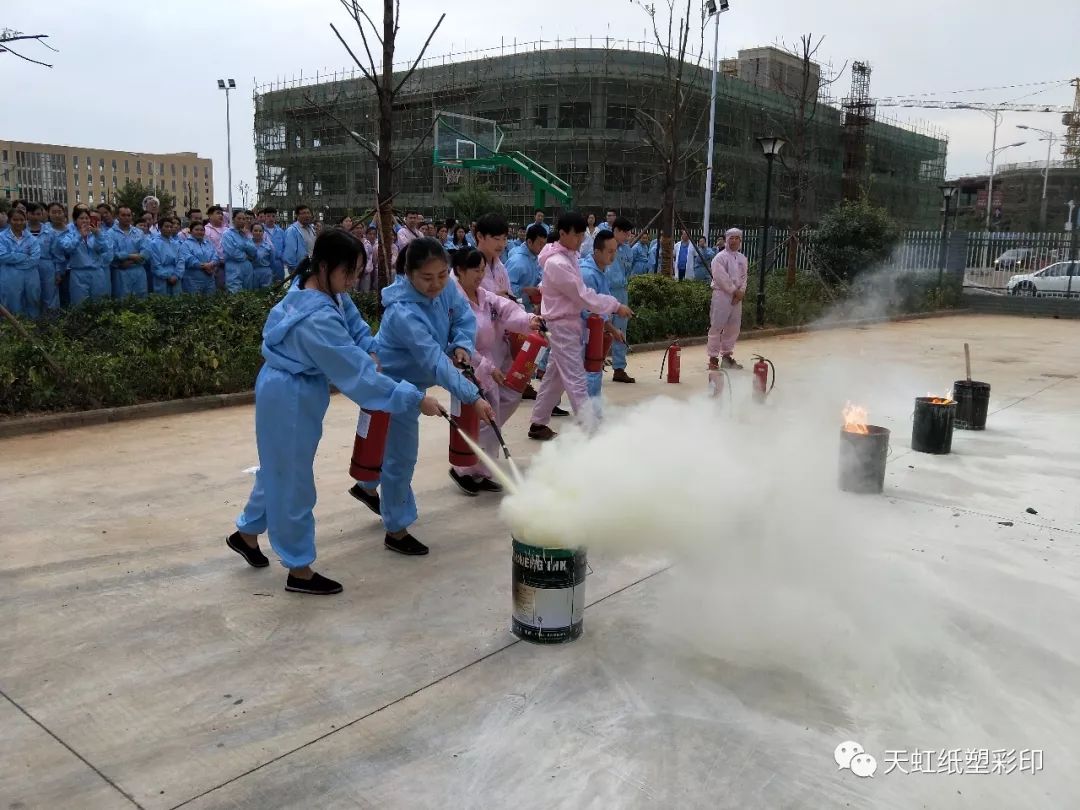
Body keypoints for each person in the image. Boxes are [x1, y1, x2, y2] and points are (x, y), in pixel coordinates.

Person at [230, 230, 444, 595]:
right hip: (289, 395)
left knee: (280, 465)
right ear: (325, 266)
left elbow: (356, 329)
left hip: (295, 388)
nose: (352, 282)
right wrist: (412, 397)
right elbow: (358, 376)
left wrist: (371, 349)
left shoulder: (323, 290)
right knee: (293, 478)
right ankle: (298, 568)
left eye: (357, 273)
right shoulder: (317, 319)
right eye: (348, 273)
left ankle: (247, 533)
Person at [348, 237, 495, 556]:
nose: (436, 284)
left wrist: (461, 344)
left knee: (384, 448)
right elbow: (434, 361)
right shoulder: (403, 313)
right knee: (401, 456)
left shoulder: (446, 288)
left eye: (442, 275)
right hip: (393, 385)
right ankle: (396, 530)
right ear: (408, 274)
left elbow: (463, 318)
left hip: (415, 380)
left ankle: (367, 487)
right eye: (427, 278)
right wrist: (473, 396)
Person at [528, 212, 632, 440]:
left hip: (566, 324)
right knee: (576, 379)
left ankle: (538, 422)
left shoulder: (568, 257)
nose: (580, 240)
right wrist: (615, 305)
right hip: (562, 326)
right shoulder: (557, 263)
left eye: (582, 235)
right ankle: (590, 431)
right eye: (576, 235)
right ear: (563, 233)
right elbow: (583, 295)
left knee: (555, 378)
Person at [449, 248, 539, 495]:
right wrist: (486, 367)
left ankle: (481, 470)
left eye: (482, 270)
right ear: (459, 271)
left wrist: (529, 319)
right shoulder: (452, 301)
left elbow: (507, 309)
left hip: (488, 363)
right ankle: (463, 469)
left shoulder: (485, 296)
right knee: (474, 419)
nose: (480, 275)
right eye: (474, 270)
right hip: (466, 365)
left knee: (490, 419)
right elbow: (456, 342)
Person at [579, 230, 626, 404]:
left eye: (615, 251)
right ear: (597, 251)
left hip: (592, 330)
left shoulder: (600, 270)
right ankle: (590, 410)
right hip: (582, 331)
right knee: (590, 369)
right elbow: (591, 311)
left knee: (589, 369)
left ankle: (591, 409)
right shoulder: (588, 274)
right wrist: (612, 329)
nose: (613, 256)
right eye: (609, 251)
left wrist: (612, 330)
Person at [607, 217, 646, 383]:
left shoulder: (628, 250)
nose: (628, 236)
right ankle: (592, 365)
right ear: (616, 231)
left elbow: (627, 271)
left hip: (622, 292)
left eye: (629, 233)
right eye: (625, 233)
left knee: (621, 330)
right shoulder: (605, 246)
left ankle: (619, 368)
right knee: (600, 329)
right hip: (606, 291)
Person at [708, 228, 749, 371]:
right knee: (717, 326)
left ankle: (726, 357)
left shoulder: (742, 258)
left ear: (740, 240)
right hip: (722, 295)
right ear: (727, 239)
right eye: (731, 238)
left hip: (737, 298)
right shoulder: (719, 258)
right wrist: (734, 291)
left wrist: (741, 292)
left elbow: (744, 277)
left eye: (737, 238)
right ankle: (713, 358)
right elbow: (720, 277)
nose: (734, 241)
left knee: (733, 327)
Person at [59, 206, 113, 305]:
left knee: (99, 304)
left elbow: (104, 249)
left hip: (97, 272)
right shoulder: (70, 234)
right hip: (78, 273)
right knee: (80, 304)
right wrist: (80, 236)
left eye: (87, 218)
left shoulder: (95, 233)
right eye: (81, 218)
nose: (85, 221)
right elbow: (67, 248)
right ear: (75, 220)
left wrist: (98, 235)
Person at [0, 208, 42, 316]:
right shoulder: (1, 238)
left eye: (22, 220)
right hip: (10, 277)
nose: (18, 222)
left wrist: (13, 261)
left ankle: (32, 326)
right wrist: (23, 256)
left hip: (31, 276)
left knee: (33, 302)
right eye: (15, 219)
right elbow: (2, 256)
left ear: (25, 220)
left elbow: (35, 258)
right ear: (9, 220)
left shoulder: (32, 238)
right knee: (12, 305)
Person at [110, 206, 151, 299]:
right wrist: (131, 256)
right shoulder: (111, 233)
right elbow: (112, 253)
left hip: (138, 271)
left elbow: (146, 251)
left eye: (129, 215)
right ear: (117, 216)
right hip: (121, 271)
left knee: (141, 300)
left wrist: (130, 260)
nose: (126, 218)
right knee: (123, 300)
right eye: (123, 215)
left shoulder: (139, 232)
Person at [506, 223, 546, 313]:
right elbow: (505, 287)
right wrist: (524, 290)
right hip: (514, 310)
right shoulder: (517, 261)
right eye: (540, 244)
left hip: (528, 308)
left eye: (544, 244)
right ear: (529, 242)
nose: (543, 248)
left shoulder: (535, 257)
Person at [474, 213, 513, 299]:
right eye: (496, 239)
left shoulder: (500, 267)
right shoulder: (466, 267)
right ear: (480, 236)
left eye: (504, 239)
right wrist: (495, 299)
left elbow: (509, 296)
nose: (501, 244)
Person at [38, 202, 68, 312]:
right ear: (48, 214)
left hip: (69, 269)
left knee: (66, 298)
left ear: (64, 213)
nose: (57, 215)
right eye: (53, 212)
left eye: (59, 212)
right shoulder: (44, 229)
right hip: (49, 270)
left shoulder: (71, 229)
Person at [222, 210, 257, 292]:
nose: (242, 221)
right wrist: (246, 256)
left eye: (244, 219)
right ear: (233, 219)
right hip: (234, 269)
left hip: (247, 268)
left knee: (248, 293)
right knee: (235, 294)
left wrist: (246, 237)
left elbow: (253, 251)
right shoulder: (227, 234)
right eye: (239, 218)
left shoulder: (247, 234)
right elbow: (232, 252)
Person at [149, 216, 184, 296]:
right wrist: (167, 276)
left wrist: (177, 275)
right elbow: (155, 264)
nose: (169, 229)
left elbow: (181, 260)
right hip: (161, 277)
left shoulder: (176, 243)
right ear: (160, 228)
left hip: (175, 276)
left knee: (177, 299)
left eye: (171, 227)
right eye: (166, 226)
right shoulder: (154, 243)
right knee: (162, 299)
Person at [180, 221, 218, 295]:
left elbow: (215, 256)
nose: (200, 232)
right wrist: (205, 266)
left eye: (202, 230)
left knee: (211, 300)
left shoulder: (208, 243)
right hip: (192, 280)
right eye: (196, 230)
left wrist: (211, 264)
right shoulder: (186, 244)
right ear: (191, 231)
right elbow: (189, 259)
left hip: (209, 279)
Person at [283, 204, 316, 274]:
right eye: (303, 213)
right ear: (297, 216)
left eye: (308, 213)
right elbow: (289, 253)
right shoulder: (292, 230)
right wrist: (295, 269)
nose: (307, 215)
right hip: (299, 270)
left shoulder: (312, 229)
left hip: (312, 267)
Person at [259, 207, 287, 283]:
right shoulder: (260, 231)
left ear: (276, 217)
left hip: (278, 264)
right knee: (266, 286)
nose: (271, 218)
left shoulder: (280, 231)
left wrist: (283, 258)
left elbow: (285, 247)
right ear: (264, 217)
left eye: (273, 216)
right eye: (268, 216)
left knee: (279, 285)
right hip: (265, 264)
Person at [251, 222, 275, 289]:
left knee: (266, 292)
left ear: (263, 232)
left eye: (260, 231)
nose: (258, 233)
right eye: (255, 230)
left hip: (266, 272)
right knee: (253, 293)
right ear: (251, 232)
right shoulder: (247, 244)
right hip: (252, 272)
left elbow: (272, 262)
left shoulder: (269, 246)